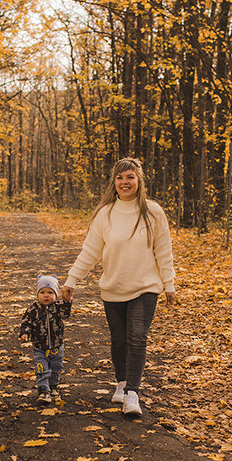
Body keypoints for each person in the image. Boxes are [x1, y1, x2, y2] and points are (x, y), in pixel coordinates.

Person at [62, 157, 176, 418]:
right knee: (119, 340)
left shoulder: (153, 212)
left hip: (145, 286)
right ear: (114, 183)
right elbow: (90, 251)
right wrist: (71, 280)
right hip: (113, 287)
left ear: (139, 181)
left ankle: (132, 394)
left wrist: (168, 283)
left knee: (137, 337)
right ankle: (122, 382)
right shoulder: (105, 213)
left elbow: (164, 251)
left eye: (130, 177)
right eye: (120, 178)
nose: (125, 182)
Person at [20, 274, 72, 405]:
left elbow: (65, 315)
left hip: (56, 346)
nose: (46, 295)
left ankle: (53, 387)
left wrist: (67, 302)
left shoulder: (58, 307)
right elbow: (26, 323)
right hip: (39, 347)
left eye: (50, 292)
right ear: (37, 294)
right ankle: (43, 390)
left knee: (56, 368)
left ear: (55, 294)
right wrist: (25, 333)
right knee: (42, 368)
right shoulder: (33, 309)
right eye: (42, 292)